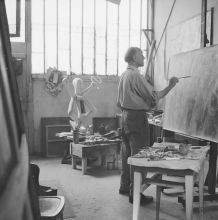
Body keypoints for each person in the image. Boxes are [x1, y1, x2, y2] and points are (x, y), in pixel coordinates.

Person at [117, 47, 179, 204]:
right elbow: (154, 96)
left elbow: (119, 102)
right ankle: (135, 193)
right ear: (133, 57)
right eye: (141, 55)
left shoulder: (124, 74)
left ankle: (124, 187)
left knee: (127, 154)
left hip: (124, 116)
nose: (144, 57)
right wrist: (171, 85)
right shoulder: (136, 76)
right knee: (139, 157)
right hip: (136, 118)